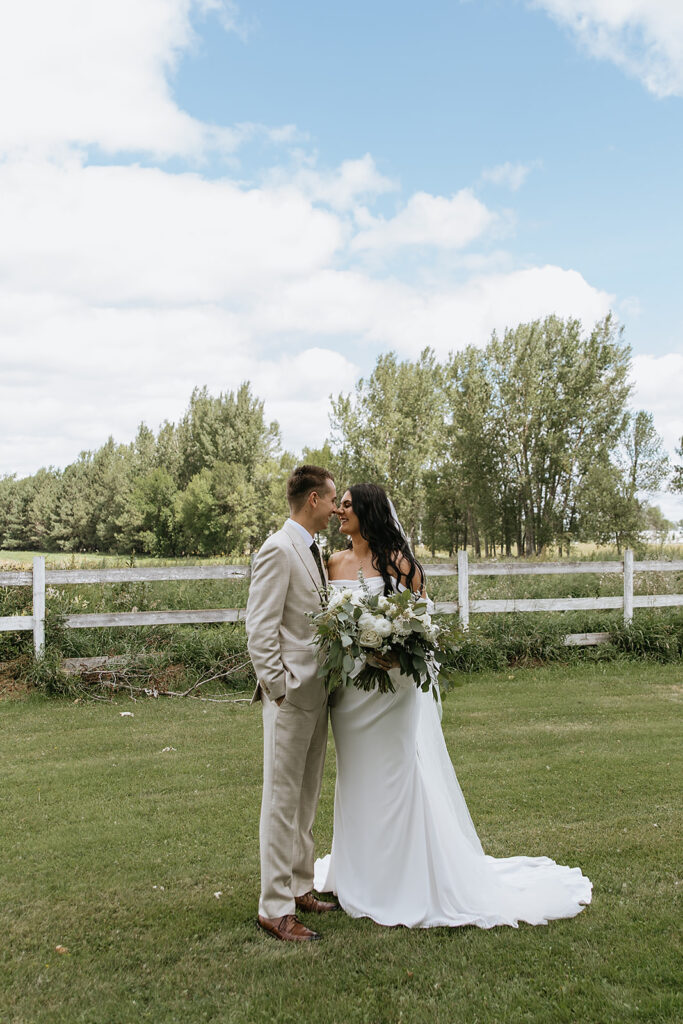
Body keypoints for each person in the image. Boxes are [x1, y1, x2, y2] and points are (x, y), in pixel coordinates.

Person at [314, 482, 592, 928]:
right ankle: (358, 871)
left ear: (367, 512)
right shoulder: (334, 563)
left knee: (397, 773)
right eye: (339, 504)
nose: (339, 511)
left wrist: (394, 644)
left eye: (347, 505)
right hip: (352, 694)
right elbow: (329, 622)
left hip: (393, 690)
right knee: (356, 776)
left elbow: (421, 624)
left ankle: (406, 876)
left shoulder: (401, 564)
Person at [246, 464, 340, 942]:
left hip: (317, 695)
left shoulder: (311, 549)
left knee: (306, 797)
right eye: (331, 500)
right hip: (291, 698)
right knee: (281, 803)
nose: (335, 509)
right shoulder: (277, 550)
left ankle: (301, 884)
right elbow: (260, 628)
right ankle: (274, 907)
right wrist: (278, 688)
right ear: (312, 501)